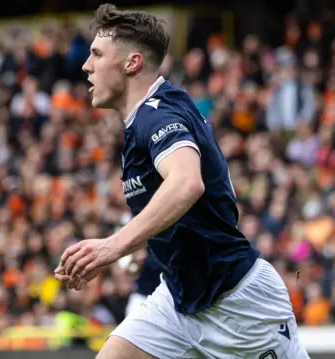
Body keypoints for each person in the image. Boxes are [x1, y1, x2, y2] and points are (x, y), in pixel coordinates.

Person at [54, 4, 309, 358]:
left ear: (132, 63)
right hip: (176, 299)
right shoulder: (147, 116)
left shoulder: (157, 115)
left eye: (97, 54)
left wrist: (112, 247)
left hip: (238, 304)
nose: (86, 65)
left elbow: (187, 183)